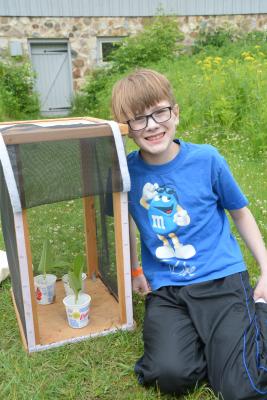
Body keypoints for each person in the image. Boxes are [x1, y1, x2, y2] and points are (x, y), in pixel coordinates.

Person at [111, 68, 267, 400]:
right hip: (167, 289)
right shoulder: (126, 172)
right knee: (171, 376)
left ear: (175, 113)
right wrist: (136, 270)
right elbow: (124, 223)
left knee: (238, 389)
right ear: (127, 129)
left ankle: (260, 311)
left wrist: (266, 269)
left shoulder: (207, 159)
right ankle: (212, 341)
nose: (152, 125)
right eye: (138, 119)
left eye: (159, 112)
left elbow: (240, 212)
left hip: (220, 280)